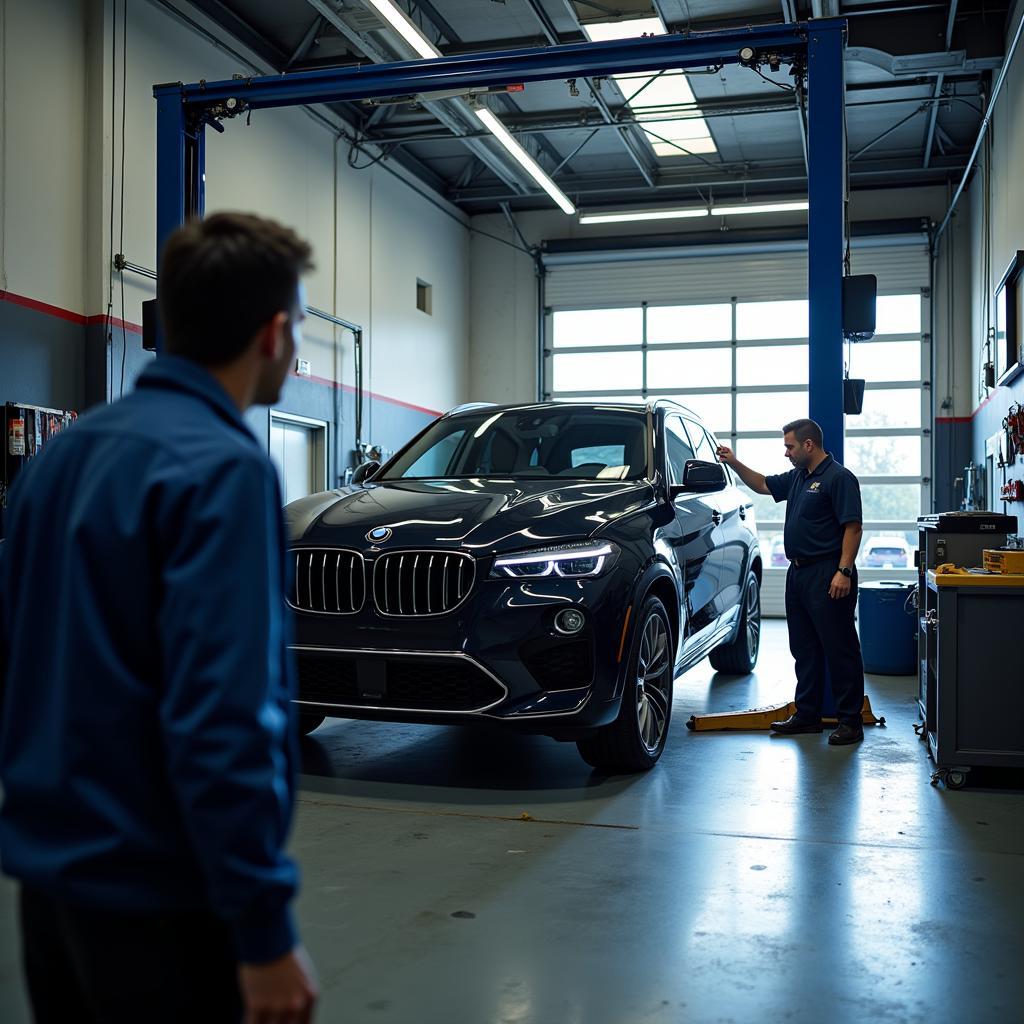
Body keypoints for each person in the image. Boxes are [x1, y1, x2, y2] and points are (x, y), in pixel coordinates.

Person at [0, 212, 320, 1022]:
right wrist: (263, 927)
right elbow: (223, 717)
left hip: (50, 893)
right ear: (275, 332)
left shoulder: (59, 457)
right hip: (163, 903)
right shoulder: (225, 471)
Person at [717, 418, 866, 746]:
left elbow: (853, 528)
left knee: (840, 649)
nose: (786, 452)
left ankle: (850, 722)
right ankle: (808, 715)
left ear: (808, 445)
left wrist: (844, 571)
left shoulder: (838, 478)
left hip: (828, 573)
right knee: (804, 648)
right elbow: (762, 485)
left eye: (790, 446)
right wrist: (734, 461)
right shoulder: (799, 478)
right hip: (797, 574)